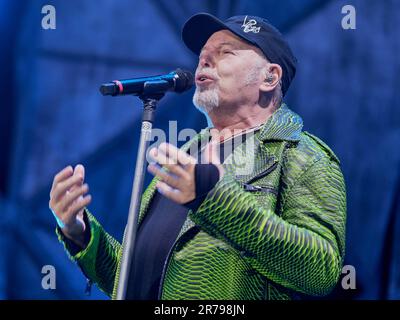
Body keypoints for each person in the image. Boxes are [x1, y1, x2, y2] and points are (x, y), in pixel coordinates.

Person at [49, 13, 346, 300]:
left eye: (225, 53)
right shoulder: (188, 155)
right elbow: (135, 280)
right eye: (203, 54)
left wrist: (215, 198)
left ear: (270, 77)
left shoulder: (302, 154)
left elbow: (321, 271)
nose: (204, 60)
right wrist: (80, 233)